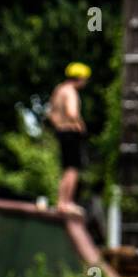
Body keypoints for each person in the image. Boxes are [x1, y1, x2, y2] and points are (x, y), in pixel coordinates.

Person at [46, 63, 90, 215]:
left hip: (60, 131)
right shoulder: (71, 91)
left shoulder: (59, 90)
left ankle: (60, 202)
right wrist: (80, 125)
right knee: (73, 168)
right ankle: (67, 203)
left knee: (66, 168)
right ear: (80, 77)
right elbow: (72, 112)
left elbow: (51, 113)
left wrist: (59, 125)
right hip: (71, 132)